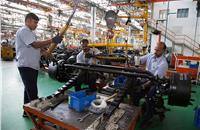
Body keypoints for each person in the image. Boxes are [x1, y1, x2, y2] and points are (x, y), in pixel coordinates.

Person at [15, 13, 63, 117]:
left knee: (28, 88)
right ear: (28, 21)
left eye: (37, 23)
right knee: (32, 91)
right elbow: (35, 44)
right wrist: (52, 40)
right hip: (26, 65)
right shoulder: (24, 31)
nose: (36, 25)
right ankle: (36, 113)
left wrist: (47, 53)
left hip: (31, 65)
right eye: (35, 22)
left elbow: (37, 46)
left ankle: (27, 112)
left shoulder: (31, 33)